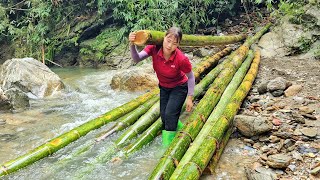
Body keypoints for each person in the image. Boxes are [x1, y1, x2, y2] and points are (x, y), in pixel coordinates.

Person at [128, 27, 195, 147]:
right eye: (168, 41)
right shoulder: (154, 48)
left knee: (169, 115)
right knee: (164, 117)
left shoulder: (181, 58)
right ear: (163, 38)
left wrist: (190, 97)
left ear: (178, 44)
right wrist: (132, 44)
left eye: (174, 43)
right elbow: (136, 58)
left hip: (179, 87)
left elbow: (191, 77)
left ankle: (166, 148)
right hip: (164, 87)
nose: (170, 46)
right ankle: (181, 130)